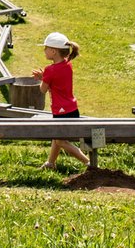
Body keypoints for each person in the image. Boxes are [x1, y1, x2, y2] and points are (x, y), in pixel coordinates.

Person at [31, 31, 90, 171]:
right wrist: (46, 77)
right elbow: (57, 82)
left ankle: (89, 163)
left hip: (61, 110)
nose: (44, 51)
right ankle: (50, 163)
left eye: (45, 48)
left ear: (53, 51)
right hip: (72, 108)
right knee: (56, 137)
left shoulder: (50, 70)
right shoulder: (68, 64)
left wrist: (42, 78)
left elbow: (43, 90)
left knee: (60, 140)